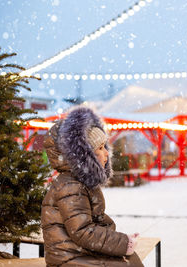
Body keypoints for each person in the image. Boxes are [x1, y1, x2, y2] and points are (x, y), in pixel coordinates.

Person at [41, 107, 144, 267]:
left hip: (78, 252)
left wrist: (119, 241)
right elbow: (83, 231)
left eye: (105, 147)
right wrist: (123, 243)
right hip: (68, 258)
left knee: (130, 260)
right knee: (127, 264)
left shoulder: (78, 181)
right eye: (100, 148)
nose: (107, 154)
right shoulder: (70, 186)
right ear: (85, 155)